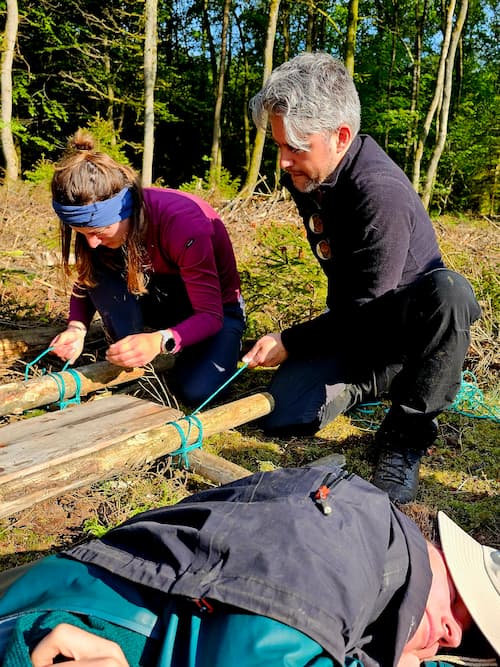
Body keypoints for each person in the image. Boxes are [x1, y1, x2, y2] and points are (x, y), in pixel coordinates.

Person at [243, 52, 481, 503]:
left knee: (450, 293)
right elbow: (354, 302)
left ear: (341, 137)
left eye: (294, 147)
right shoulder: (313, 176)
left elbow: (367, 307)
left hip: (404, 331)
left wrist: (290, 339)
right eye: (278, 146)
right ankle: (372, 382)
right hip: (360, 328)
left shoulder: (378, 193)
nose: (283, 162)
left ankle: (405, 435)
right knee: (285, 414)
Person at [0, 466, 498, 666]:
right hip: (55, 631)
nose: (451, 637)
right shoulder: (334, 559)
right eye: (459, 601)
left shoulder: (364, 526)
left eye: (469, 639)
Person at [50, 130, 245, 407]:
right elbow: (89, 278)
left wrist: (160, 341)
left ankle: (185, 343)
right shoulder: (103, 234)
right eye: (81, 233)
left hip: (213, 309)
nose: (91, 243)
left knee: (196, 390)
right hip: (154, 292)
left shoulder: (184, 223)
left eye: (98, 231)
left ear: (124, 212)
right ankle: (132, 345)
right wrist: (76, 327)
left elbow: (211, 314)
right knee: (103, 267)